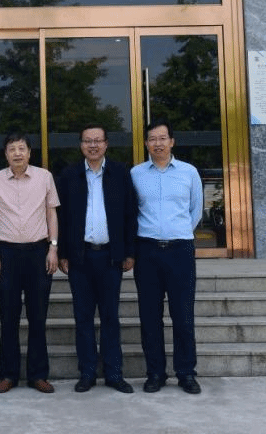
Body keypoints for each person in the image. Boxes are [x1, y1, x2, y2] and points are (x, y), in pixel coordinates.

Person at [57, 124, 138, 394]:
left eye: (97, 141)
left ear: (106, 144)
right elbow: (62, 218)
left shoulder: (120, 173)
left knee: (110, 317)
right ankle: (87, 372)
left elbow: (130, 214)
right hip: (79, 258)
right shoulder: (69, 175)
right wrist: (63, 253)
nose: (93, 145)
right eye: (87, 141)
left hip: (110, 257)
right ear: (81, 144)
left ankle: (114, 373)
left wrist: (129, 252)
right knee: (83, 318)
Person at [0, 131, 60, 394]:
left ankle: (38, 375)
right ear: (6, 154)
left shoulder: (44, 177)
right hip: (6, 254)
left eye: (21, 148)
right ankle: (8, 374)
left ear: (29, 152)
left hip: (38, 253)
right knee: (8, 317)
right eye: (12, 149)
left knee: (38, 316)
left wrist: (53, 248)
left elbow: (51, 213)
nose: (17, 153)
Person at [130, 120, 204, 395]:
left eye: (162, 138)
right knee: (150, 316)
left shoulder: (189, 172)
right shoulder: (136, 173)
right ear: (146, 143)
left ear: (172, 141)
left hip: (180, 250)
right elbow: (132, 211)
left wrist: (178, 232)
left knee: (183, 315)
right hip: (147, 250)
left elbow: (196, 210)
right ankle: (155, 373)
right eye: (152, 139)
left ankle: (186, 373)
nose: (158, 143)